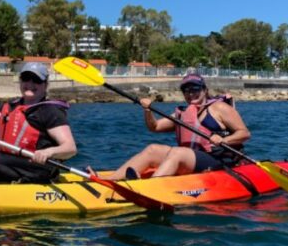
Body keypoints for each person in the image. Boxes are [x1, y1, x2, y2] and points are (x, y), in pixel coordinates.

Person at [100, 72, 250, 180]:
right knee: (152, 149)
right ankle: (110, 181)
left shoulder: (220, 108)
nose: (191, 94)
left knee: (178, 152)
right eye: (187, 90)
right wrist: (147, 110)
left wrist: (224, 140)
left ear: (205, 90)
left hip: (219, 161)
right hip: (193, 159)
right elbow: (155, 127)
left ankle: (151, 187)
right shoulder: (183, 114)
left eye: (195, 89)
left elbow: (244, 133)